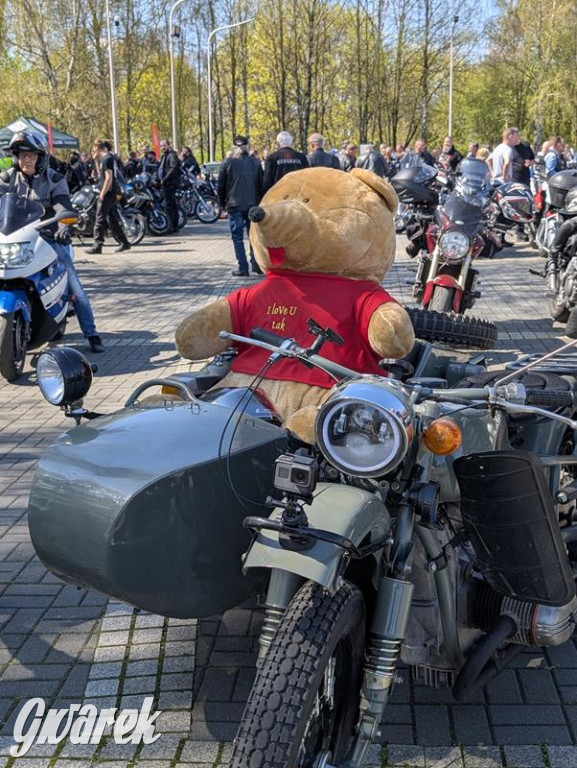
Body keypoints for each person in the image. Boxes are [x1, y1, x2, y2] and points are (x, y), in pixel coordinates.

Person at [0, 131, 104, 352]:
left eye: (30, 155)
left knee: (74, 284)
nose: (24, 160)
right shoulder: (7, 178)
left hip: (46, 238)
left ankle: (91, 333)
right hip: (14, 240)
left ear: (41, 157)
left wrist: (64, 225)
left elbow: (63, 206)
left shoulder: (54, 179)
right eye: (21, 155)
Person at [218, 135, 264, 277]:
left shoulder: (227, 163)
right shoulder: (255, 163)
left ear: (234, 147)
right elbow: (261, 184)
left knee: (237, 237)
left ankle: (243, 267)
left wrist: (222, 203)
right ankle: (256, 264)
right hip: (252, 204)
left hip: (234, 205)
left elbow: (221, 185)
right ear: (247, 147)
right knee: (253, 236)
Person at [86, 139, 131, 254]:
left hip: (108, 193)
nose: (93, 150)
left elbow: (108, 178)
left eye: (94, 148)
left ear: (97, 148)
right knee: (112, 219)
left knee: (99, 218)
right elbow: (100, 173)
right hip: (110, 192)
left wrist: (102, 193)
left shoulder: (107, 159)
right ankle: (124, 242)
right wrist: (95, 160)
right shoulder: (104, 159)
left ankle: (97, 245)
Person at [157, 139, 181, 234]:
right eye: (161, 146)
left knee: (169, 206)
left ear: (168, 145)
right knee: (171, 205)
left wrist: (165, 179)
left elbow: (174, 168)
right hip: (165, 184)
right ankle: (174, 226)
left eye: (164, 145)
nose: (162, 147)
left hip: (170, 184)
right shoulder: (165, 155)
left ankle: (171, 226)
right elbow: (161, 168)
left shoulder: (172, 155)